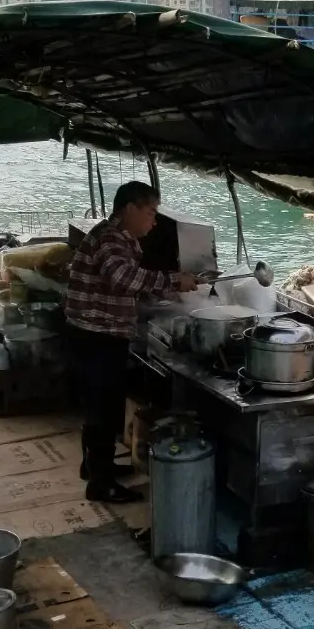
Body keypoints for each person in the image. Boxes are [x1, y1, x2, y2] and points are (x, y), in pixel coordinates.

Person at [65, 181, 197, 503]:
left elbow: (128, 282)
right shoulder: (111, 239)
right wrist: (172, 279)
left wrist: (169, 289)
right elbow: (122, 277)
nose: (154, 221)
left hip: (95, 332)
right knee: (104, 408)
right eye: (151, 212)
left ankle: (95, 466)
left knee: (99, 406)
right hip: (96, 335)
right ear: (129, 209)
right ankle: (101, 485)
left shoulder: (119, 238)